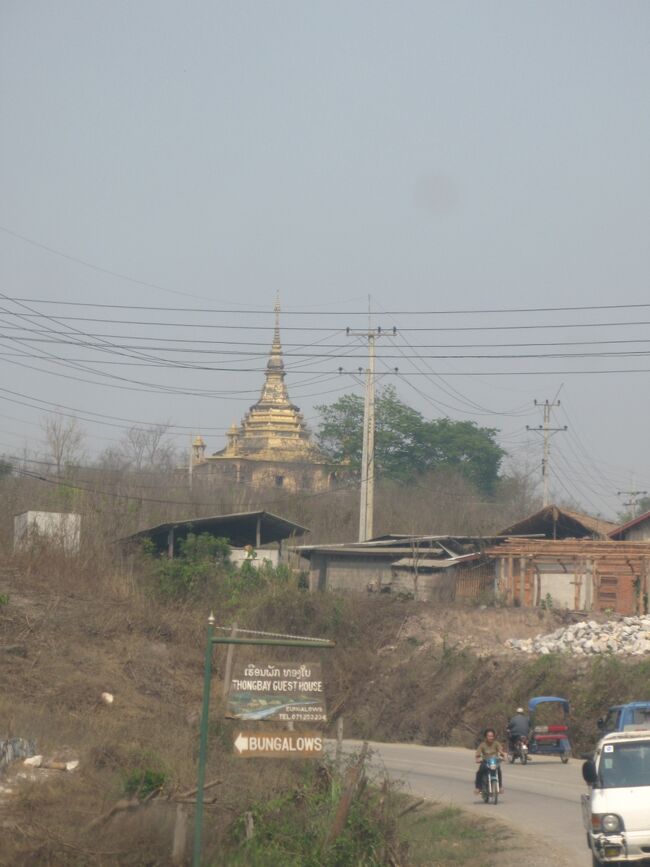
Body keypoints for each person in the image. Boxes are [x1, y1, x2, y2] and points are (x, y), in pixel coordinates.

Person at [475, 728, 506, 794]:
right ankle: (478, 787)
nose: (491, 737)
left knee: (499, 771)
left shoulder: (496, 744)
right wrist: (477, 758)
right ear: (486, 737)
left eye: (492, 736)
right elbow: (478, 753)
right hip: (485, 762)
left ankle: (500, 787)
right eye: (489, 736)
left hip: (494, 761)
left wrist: (503, 755)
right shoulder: (482, 745)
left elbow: (500, 750)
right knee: (479, 772)